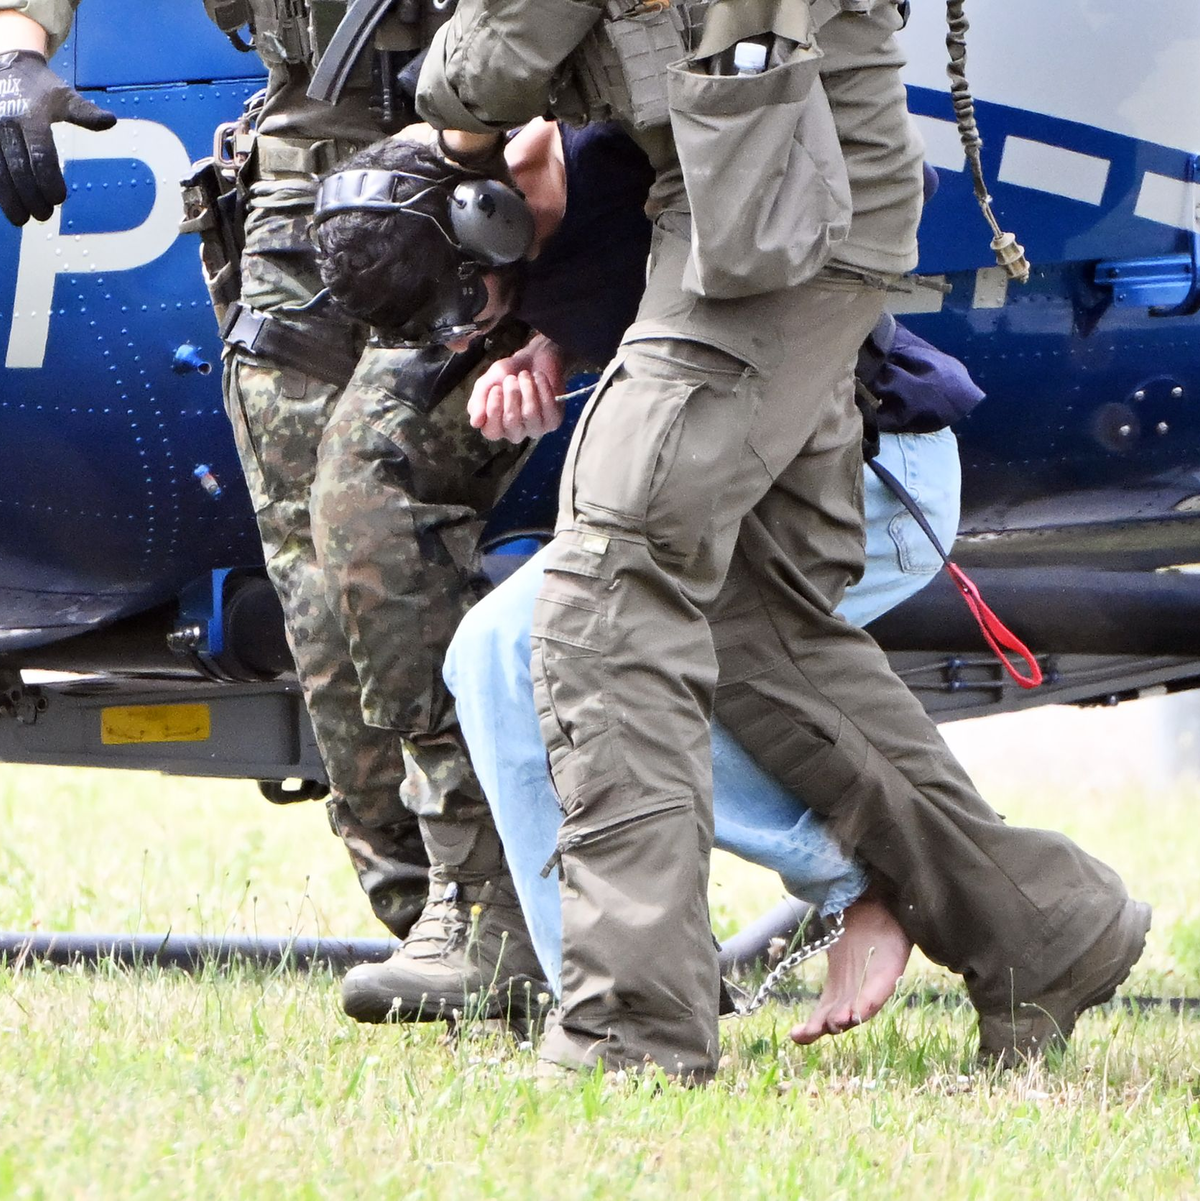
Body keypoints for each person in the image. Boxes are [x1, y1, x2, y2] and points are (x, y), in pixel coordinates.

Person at [409, 0, 1150, 1079]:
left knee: (611, 578)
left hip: (776, 209)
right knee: (750, 617)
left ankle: (635, 1031)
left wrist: (454, 123)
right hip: (755, 198)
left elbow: (494, 59)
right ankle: (1044, 926)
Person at [313, 118, 971, 1045]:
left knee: (592, 670)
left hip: (866, 481)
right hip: (727, 493)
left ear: (491, 218)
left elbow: (850, 207)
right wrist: (556, 345)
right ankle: (597, 995)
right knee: (491, 655)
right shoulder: (523, 231)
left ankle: (858, 879)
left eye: (474, 302)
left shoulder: (635, 152)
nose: (473, 330)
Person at [0, 1, 543, 1002]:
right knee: (317, 596)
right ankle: (434, 917)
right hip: (301, 192)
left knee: (373, 515)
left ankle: (491, 910)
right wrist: (19, 46)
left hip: (480, 171)